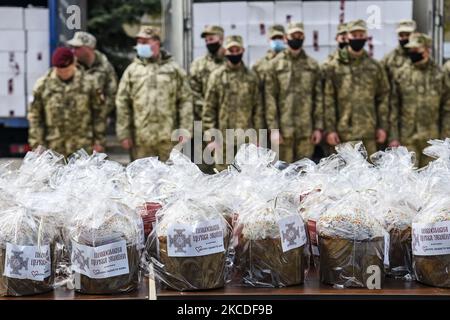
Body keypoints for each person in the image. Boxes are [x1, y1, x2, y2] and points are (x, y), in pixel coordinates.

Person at [115, 26, 193, 161]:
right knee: (142, 179)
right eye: (139, 42)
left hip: (168, 139)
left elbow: (185, 100)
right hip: (141, 140)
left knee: (169, 179)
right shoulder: (132, 70)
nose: (140, 45)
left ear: (156, 42)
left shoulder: (173, 69)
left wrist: (185, 129)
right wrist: (124, 133)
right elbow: (122, 102)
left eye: (145, 42)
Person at [323, 19, 390, 156]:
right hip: (343, 134)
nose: (358, 39)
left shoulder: (374, 66)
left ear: (366, 37)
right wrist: (330, 130)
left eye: (361, 35)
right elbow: (328, 99)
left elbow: (383, 98)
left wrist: (383, 127)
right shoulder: (335, 66)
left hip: (369, 133)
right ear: (348, 37)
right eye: (354, 35)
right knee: (344, 175)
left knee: (370, 174)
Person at [28, 47, 106, 156]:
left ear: (74, 63)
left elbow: (99, 114)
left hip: (83, 147)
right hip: (53, 148)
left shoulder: (89, 83)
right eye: (60, 71)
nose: (64, 73)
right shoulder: (43, 85)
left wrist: (99, 141)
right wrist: (37, 144)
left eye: (67, 70)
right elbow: (35, 117)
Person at [265, 22, 324, 162]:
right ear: (286, 38)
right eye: (293, 35)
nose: (296, 38)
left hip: (306, 133)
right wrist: (273, 129)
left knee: (305, 176)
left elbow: (319, 98)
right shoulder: (275, 65)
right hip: (283, 133)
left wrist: (318, 128)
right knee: (282, 175)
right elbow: (270, 99)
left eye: (300, 35)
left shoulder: (312, 65)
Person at [389, 33, 450, 167]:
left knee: (431, 180)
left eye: (417, 50)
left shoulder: (439, 74)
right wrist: (393, 136)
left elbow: (446, 108)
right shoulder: (401, 74)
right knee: (408, 179)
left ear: (427, 50)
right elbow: (394, 107)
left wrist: (445, 139)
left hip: (432, 139)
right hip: (407, 137)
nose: (413, 53)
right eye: (411, 50)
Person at [203, 35, 262, 170]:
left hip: (246, 139)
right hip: (223, 140)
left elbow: (258, 109)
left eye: (237, 50)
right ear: (225, 52)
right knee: (223, 180)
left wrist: (258, 136)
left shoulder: (251, 77)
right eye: (231, 50)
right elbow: (209, 110)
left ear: (242, 51)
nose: (234, 53)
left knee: (247, 179)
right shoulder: (217, 76)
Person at [67, 31, 118, 117]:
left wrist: (101, 114)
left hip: (98, 121)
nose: (73, 51)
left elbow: (112, 94)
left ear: (89, 48)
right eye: (72, 47)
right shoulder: (70, 66)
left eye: (77, 48)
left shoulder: (105, 68)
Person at [252, 24, 286, 130]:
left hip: (285, 120)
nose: (277, 41)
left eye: (279, 38)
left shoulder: (292, 64)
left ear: (285, 39)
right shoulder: (259, 65)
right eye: (274, 38)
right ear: (268, 39)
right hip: (263, 121)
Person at [189, 25, 226, 121]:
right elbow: (193, 93)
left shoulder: (229, 63)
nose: (209, 43)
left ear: (221, 39)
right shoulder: (198, 64)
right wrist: (208, 114)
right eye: (206, 41)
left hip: (225, 119)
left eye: (211, 39)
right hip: (200, 120)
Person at [381, 20, 416, 84]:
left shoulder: (421, 56)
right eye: (401, 35)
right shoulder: (389, 59)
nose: (404, 38)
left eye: (408, 34)